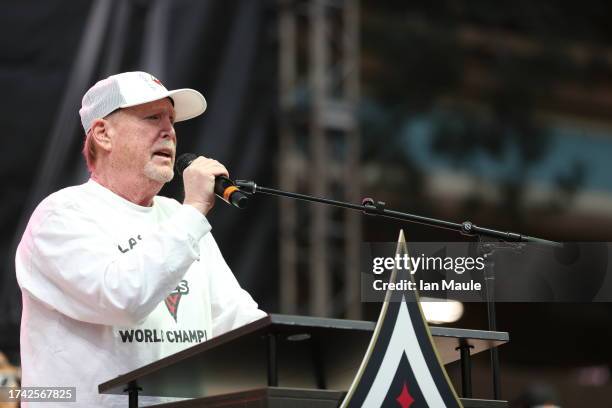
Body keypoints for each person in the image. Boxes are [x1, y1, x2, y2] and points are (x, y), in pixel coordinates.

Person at [15, 71, 267, 407]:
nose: (169, 131)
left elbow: (239, 326)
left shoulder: (179, 218)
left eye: (171, 120)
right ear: (103, 134)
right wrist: (193, 209)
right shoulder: (61, 216)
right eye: (152, 118)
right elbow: (123, 299)